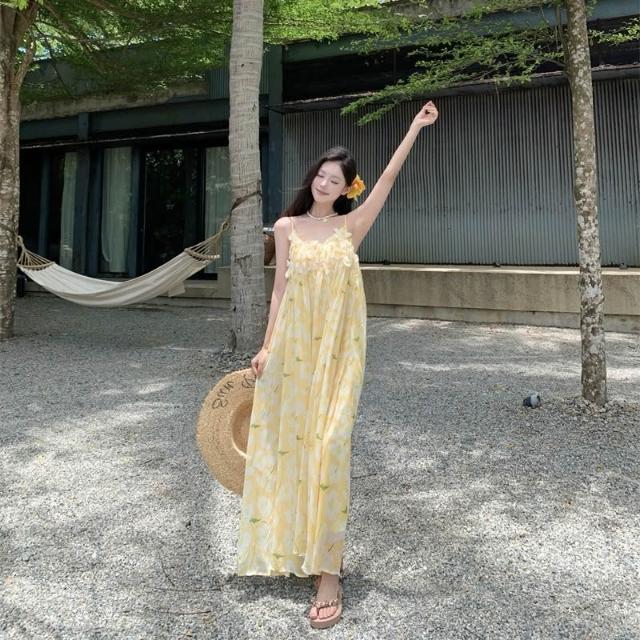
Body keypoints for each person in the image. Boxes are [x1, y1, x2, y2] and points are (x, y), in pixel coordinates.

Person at [236, 101, 439, 629]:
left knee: (330, 447)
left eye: (336, 179)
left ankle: (329, 573)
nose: (325, 183)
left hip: (340, 351)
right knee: (293, 449)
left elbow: (388, 180)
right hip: (294, 353)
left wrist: (414, 130)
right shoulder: (286, 226)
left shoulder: (352, 226)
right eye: (321, 175)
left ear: (348, 188)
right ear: (313, 178)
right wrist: (266, 346)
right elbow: (279, 291)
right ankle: (302, 551)